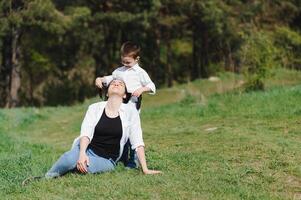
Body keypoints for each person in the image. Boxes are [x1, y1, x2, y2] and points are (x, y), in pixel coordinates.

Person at [22, 79, 160, 185]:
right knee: (70, 158)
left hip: (107, 159)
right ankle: (46, 178)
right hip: (85, 148)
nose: (116, 84)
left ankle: (68, 169)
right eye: (113, 83)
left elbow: (137, 141)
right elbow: (86, 131)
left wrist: (145, 169)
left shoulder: (131, 112)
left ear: (125, 95)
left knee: (84, 167)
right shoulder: (94, 108)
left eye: (120, 84)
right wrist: (82, 153)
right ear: (107, 92)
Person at [95, 41, 156, 168]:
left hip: (133, 106)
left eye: (128, 62)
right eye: (123, 61)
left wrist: (142, 89)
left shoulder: (140, 73)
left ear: (137, 59)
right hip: (120, 106)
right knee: (122, 132)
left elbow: (152, 86)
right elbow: (111, 78)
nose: (125, 64)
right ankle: (121, 157)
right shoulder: (119, 71)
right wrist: (101, 79)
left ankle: (133, 161)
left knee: (132, 133)